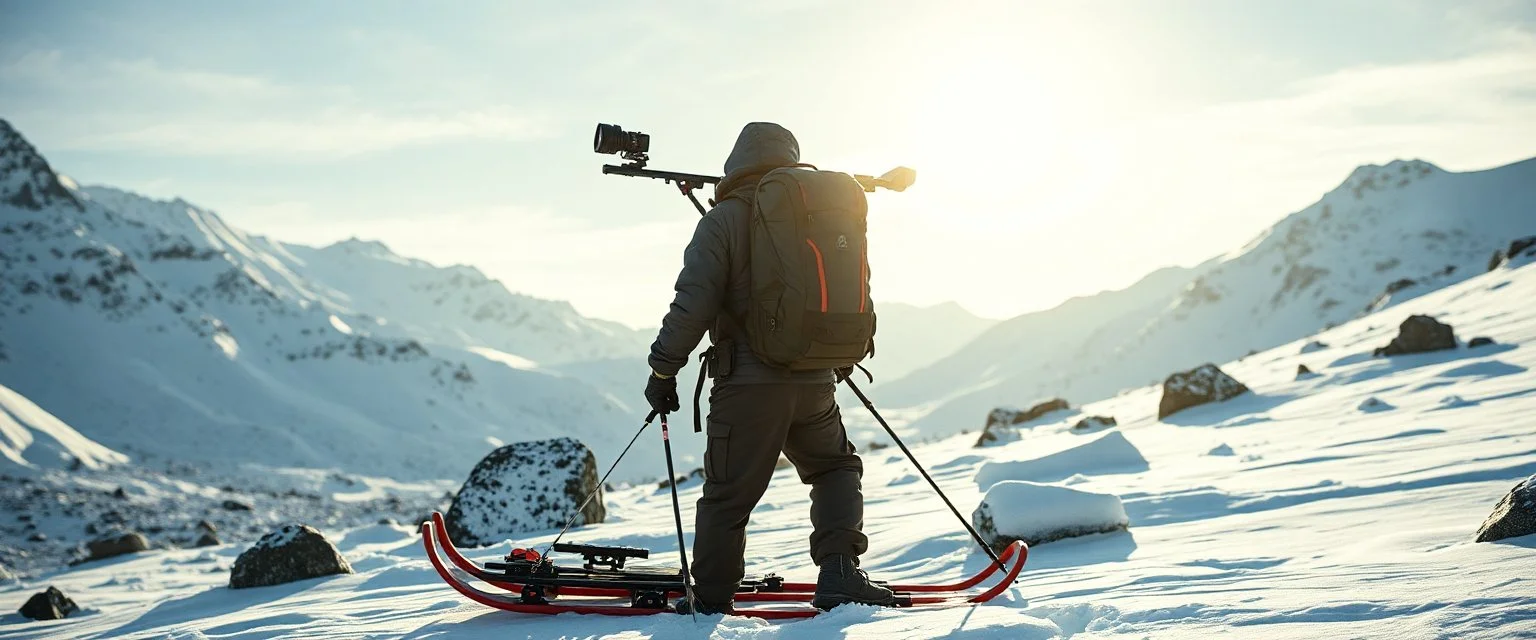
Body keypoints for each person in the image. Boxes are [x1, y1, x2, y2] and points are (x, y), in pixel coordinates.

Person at [643, 122, 896, 614]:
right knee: (835, 468)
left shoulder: (724, 220)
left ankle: (712, 598)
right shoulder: (817, 216)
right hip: (815, 376)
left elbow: (692, 304)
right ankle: (840, 573)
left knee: (729, 495)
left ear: (734, 165)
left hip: (749, 385)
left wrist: (662, 371)